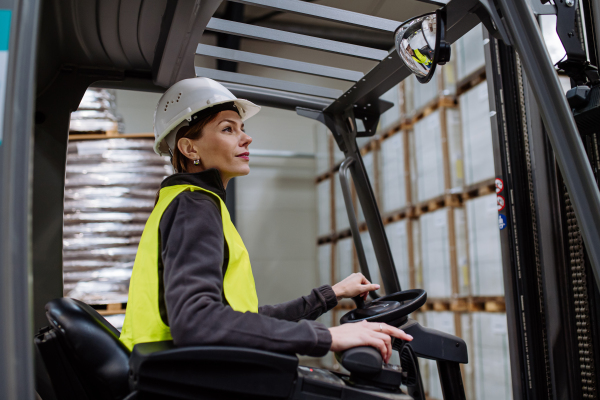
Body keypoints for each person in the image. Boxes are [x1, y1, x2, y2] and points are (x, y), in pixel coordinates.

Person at [120, 77, 412, 363]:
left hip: (175, 375)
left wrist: (331, 295)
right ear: (190, 148)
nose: (246, 137)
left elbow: (241, 319)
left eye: (242, 128)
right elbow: (197, 322)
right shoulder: (193, 207)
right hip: (177, 382)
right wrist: (328, 337)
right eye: (228, 129)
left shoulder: (192, 202)